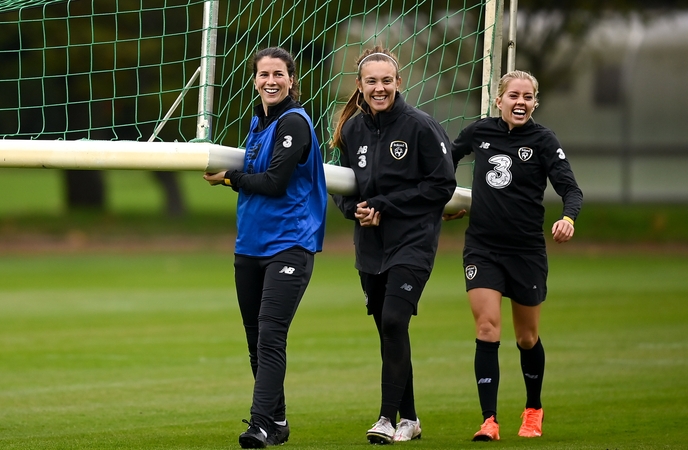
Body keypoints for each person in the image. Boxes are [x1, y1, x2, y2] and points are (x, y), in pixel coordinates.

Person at [446, 70, 583, 441]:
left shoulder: (543, 140)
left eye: (527, 97)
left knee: (526, 337)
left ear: (534, 103)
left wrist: (568, 218)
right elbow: (445, 163)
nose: (520, 102)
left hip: (526, 251)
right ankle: (489, 421)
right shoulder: (479, 131)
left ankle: (533, 408)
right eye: (513, 96)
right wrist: (445, 200)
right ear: (499, 100)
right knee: (487, 328)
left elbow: (572, 190)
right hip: (482, 247)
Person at [330, 45, 456, 445]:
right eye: (372, 82)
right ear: (360, 86)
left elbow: (442, 185)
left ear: (399, 83)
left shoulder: (420, 126)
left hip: (413, 242)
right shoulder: (352, 130)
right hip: (370, 247)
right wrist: (356, 211)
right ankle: (411, 419)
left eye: (387, 81)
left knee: (393, 321)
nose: (380, 88)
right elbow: (341, 185)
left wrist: (386, 204)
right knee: (390, 332)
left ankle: (386, 418)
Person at [204, 47, 327, 449]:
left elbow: (274, 183)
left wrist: (229, 179)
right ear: (254, 80)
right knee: (256, 338)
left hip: (289, 245)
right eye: (263, 75)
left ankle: (258, 425)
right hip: (250, 246)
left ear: (292, 79)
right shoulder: (258, 122)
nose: (270, 81)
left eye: (278, 73)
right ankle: (277, 420)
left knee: (271, 337)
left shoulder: (294, 122)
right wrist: (233, 177)